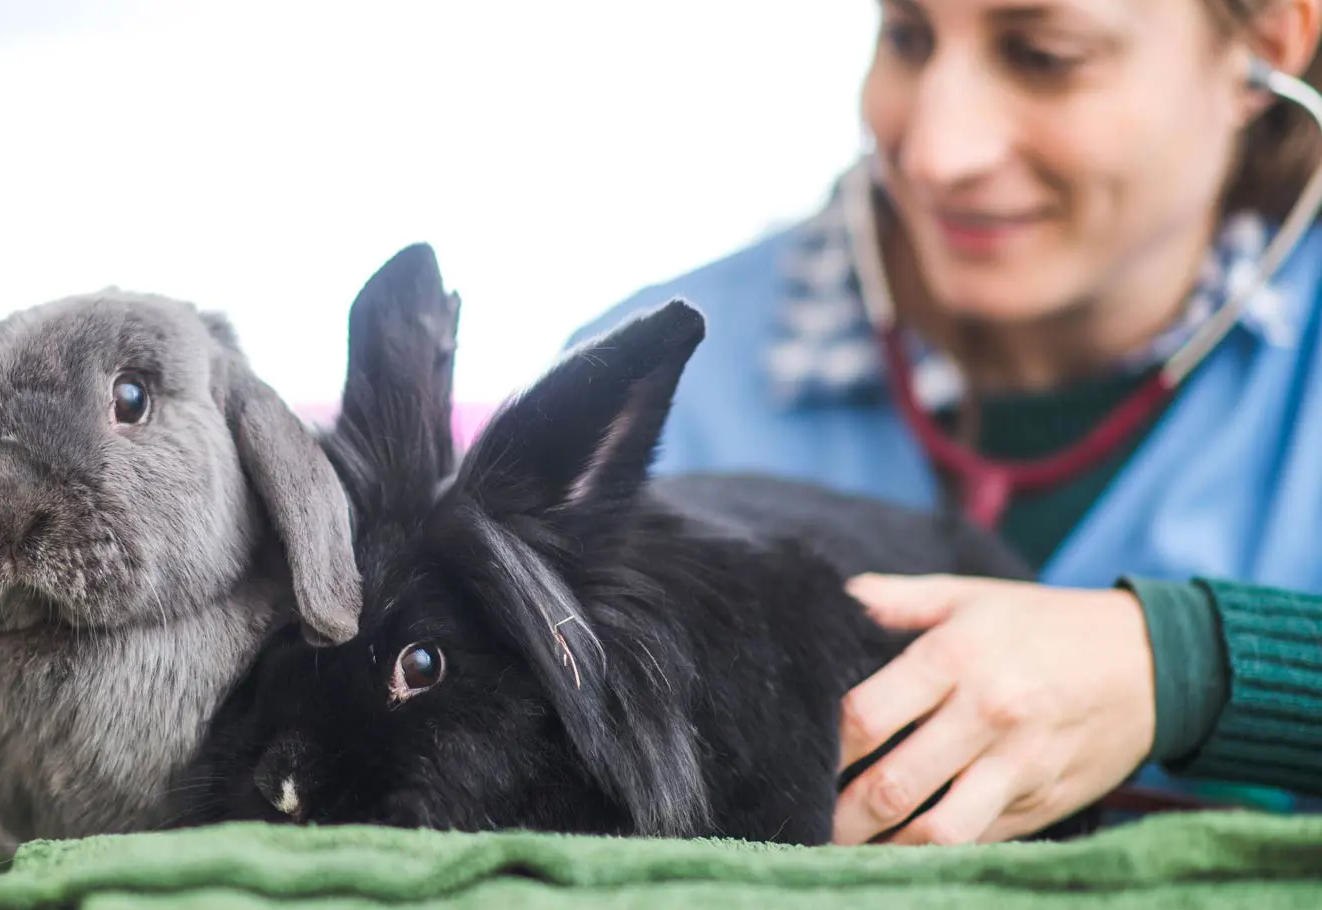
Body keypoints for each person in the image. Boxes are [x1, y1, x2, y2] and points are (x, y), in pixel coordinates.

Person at [567, 0, 1322, 845]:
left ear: (1267, 42)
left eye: (1044, 54)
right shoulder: (643, 383)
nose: (938, 153)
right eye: (906, 36)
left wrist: (1193, 664)